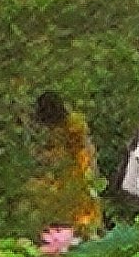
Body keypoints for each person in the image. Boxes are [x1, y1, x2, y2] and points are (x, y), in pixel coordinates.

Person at [21, 88, 101, 236]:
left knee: (78, 214)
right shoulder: (65, 126)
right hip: (70, 176)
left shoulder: (72, 126)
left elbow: (77, 152)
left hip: (76, 174)